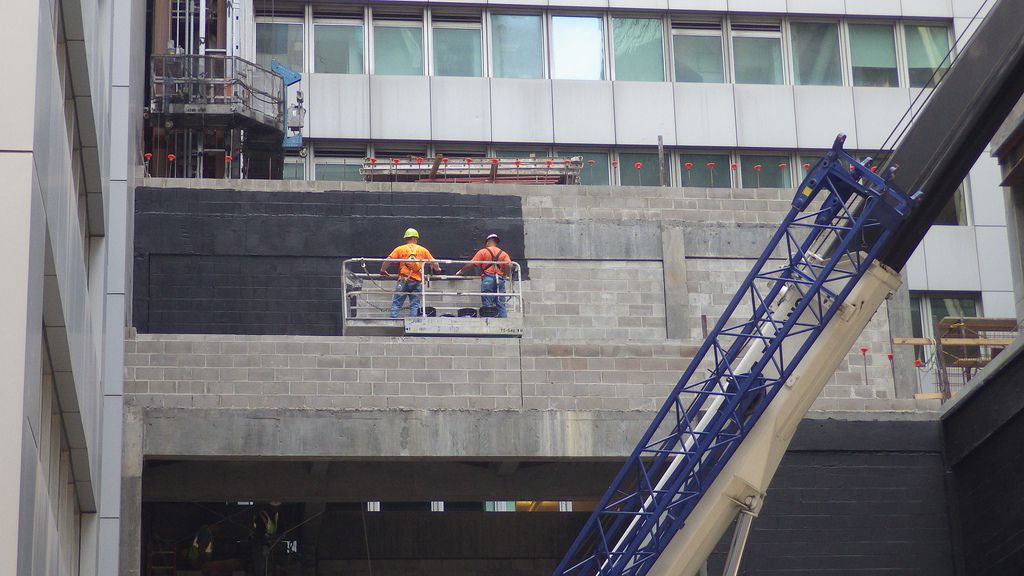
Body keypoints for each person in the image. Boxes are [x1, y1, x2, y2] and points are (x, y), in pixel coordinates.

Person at [381, 228, 441, 318]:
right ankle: (412, 323)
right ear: (415, 238)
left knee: (397, 303)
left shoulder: (400, 249)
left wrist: (383, 270)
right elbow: (435, 263)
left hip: (403, 280)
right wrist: (438, 269)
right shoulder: (423, 250)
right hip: (417, 282)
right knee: (414, 305)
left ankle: (393, 320)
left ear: (406, 238)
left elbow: (387, 261)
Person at [456, 233, 512, 318]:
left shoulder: (483, 252)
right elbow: (508, 265)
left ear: (488, 242)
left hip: (488, 279)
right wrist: (506, 274)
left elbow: (471, 264)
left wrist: (461, 271)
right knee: (501, 303)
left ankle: (489, 322)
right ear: (496, 242)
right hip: (500, 279)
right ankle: (503, 323)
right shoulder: (503, 254)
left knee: (488, 303)